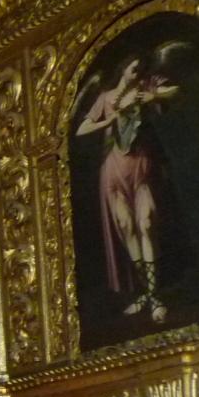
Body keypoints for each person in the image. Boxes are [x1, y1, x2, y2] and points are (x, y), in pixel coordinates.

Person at [75, 55, 179, 323]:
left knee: (147, 222)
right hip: (113, 169)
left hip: (139, 165)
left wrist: (152, 97)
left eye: (140, 69)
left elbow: (174, 90)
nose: (137, 72)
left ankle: (152, 296)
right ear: (123, 69)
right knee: (127, 225)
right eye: (133, 68)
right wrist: (107, 122)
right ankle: (150, 295)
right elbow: (81, 128)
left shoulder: (144, 88)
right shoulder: (106, 97)